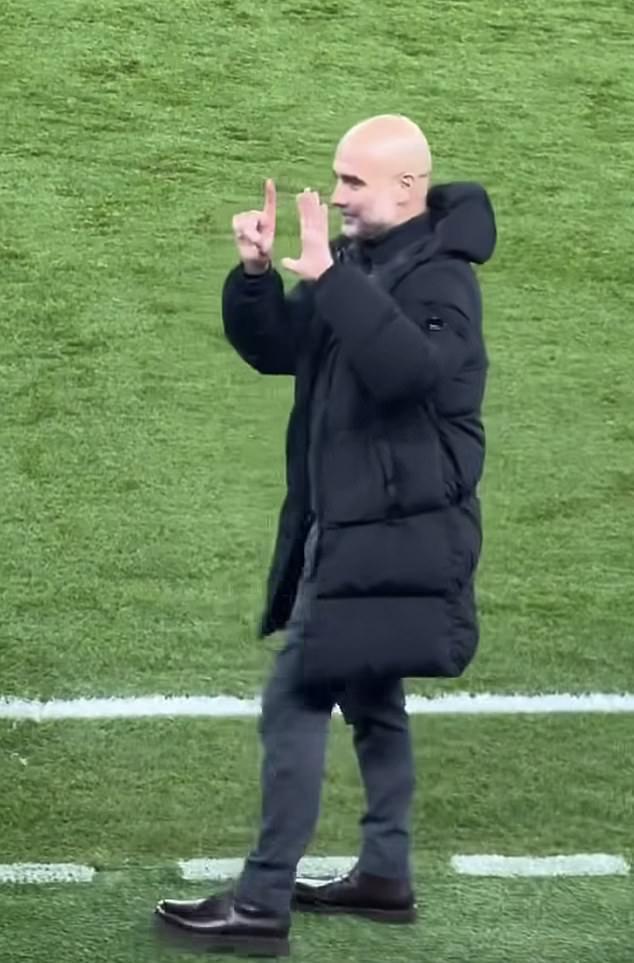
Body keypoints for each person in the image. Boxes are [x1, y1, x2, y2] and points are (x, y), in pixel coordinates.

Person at [155, 114, 497, 958]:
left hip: (388, 533)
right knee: (372, 694)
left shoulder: (443, 280)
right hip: (345, 521)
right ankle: (384, 875)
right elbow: (281, 348)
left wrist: (333, 281)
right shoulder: (361, 263)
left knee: (296, 698)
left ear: (408, 188)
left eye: (353, 181)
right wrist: (258, 274)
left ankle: (262, 901)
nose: (337, 193)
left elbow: (406, 372)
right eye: (338, 178)